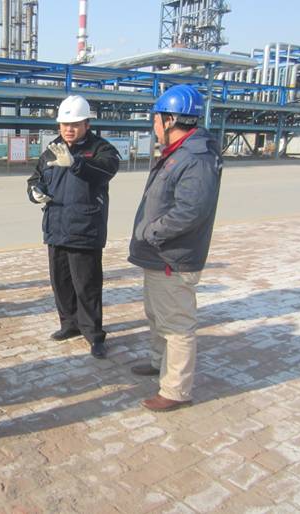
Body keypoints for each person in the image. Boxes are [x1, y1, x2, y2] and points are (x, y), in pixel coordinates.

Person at [128, 84, 222, 412]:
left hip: (173, 256)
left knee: (177, 324)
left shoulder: (195, 158)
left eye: (156, 119)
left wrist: (151, 232)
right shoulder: (179, 152)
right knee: (157, 314)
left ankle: (176, 390)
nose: (153, 125)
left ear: (169, 120)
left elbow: (190, 212)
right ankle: (159, 362)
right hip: (159, 254)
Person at [27, 95, 120, 359]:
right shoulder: (51, 150)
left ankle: (94, 334)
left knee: (87, 286)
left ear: (87, 124)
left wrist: (77, 163)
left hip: (84, 229)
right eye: (65, 124)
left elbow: (107, 170)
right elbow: (35, 177)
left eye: (75, 124)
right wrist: (34, 191)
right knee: (61, 283)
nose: (69, 129)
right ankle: (69, 324)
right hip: (56, 227)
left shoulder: (101, 149)